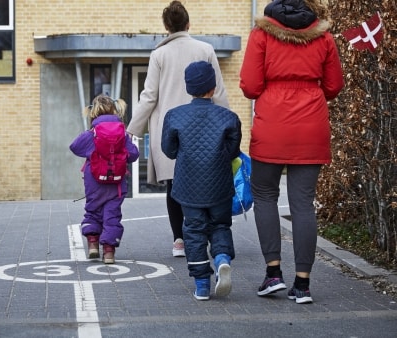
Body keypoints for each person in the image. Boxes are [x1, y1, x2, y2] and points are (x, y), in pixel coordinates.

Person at [239, 0, 344, 304]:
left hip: (272, 124)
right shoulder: (323, 36)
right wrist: (309, 91)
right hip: (311, 125)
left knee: (265, 196)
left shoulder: (262, 34)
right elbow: (334, 85)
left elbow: (249, 85)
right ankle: (303, 283)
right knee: (302, 203)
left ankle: (273, 274)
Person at [126, 0, 230, 257]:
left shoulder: (158, 55)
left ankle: (180, 241)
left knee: (175, 186)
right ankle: (205, 235)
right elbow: (219, 91)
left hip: (171, 130)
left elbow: (149, 96)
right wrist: (226, 124)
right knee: (206, 182)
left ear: (166, 27)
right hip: (205, 128)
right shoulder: (205, 49)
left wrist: (132, 130)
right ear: (188, 24)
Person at [161, 61, 241, 300]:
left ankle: (202, 286)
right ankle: (222, 259)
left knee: (193, 232)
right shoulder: (229, 117)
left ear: (189, 87)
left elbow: (169, 150)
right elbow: (233, 151)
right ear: (213, 87)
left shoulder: (174, 116)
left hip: (188, 187)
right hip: (220, 186)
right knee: (220, 226)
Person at [70, 94, 140, 264]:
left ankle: (93, 245)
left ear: (93, 112)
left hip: (94, 181)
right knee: (112, 215)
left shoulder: (92, 133)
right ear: (114, 109)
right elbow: (134, 154)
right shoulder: (122, 134)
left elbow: (74, 146)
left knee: (93, 210)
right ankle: (109, 253)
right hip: (116, 184)